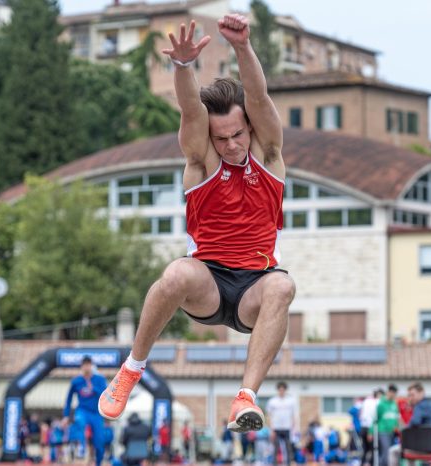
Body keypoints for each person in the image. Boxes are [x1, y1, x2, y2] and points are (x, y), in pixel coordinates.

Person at [97, 13, 296, 434]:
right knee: (174, 274)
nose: (231, 145)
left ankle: (246, 398)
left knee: (283, 284)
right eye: (221, 138)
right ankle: (132, 369)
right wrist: (184, 67)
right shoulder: (202, 161)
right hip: (207, 282)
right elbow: (191, 110)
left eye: (238, 135)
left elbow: (258, 99)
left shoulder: (270, 153)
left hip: (253, 289)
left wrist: (242, 47)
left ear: (250, 129)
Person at [63, 355, 108, 466]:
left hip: (96, 413)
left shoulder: (100, 379)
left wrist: (93, 387)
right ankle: (81, 448)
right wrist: (66, 415)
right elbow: (68, 399)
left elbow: (105, 395)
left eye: (88, 365)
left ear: (92, 366)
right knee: (79, 422)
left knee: (99, 441)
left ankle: (98, 461)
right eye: (84, 365)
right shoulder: (76, 381)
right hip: (82, 410)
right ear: (81, 367)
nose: (86, 367)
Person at [387, 382, 431, 466]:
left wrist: (405, 427)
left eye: (412, 395)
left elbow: (415, 422)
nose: (410, 398)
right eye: (409, 395)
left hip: (420, 447)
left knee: (393, 451)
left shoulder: (419, 406)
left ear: (421, 392)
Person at [266, 381, 298, 466]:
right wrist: (271, 428)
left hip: (287, 427)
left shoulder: (291, 401)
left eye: (283, 390)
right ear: (278, 390)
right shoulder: (272, 401)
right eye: (280, 390)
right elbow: (269, 416)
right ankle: (274, 464)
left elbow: (294, 415)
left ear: (285, 390)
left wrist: (293, 428)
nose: (281, 391)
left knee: (288, 448)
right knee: (275, 448)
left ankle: (288, 463)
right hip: (276, 428)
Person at [376, 384, 400, 466]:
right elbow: (376, 418)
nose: (394, 395)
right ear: (389, 392)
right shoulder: (381, 404)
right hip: (383, 431)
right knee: (386, 451)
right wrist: (371, 431)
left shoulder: (394, 404)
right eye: (393, 393)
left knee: (391, 452)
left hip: (392, 432)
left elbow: (396, 417)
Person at [360, 389, 383, 466]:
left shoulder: (366, 401)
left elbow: (361, 414)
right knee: (375, 450)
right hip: (372, 429)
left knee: (365, 449)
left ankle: (362, 463)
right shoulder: (379, 402)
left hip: (363, 427)